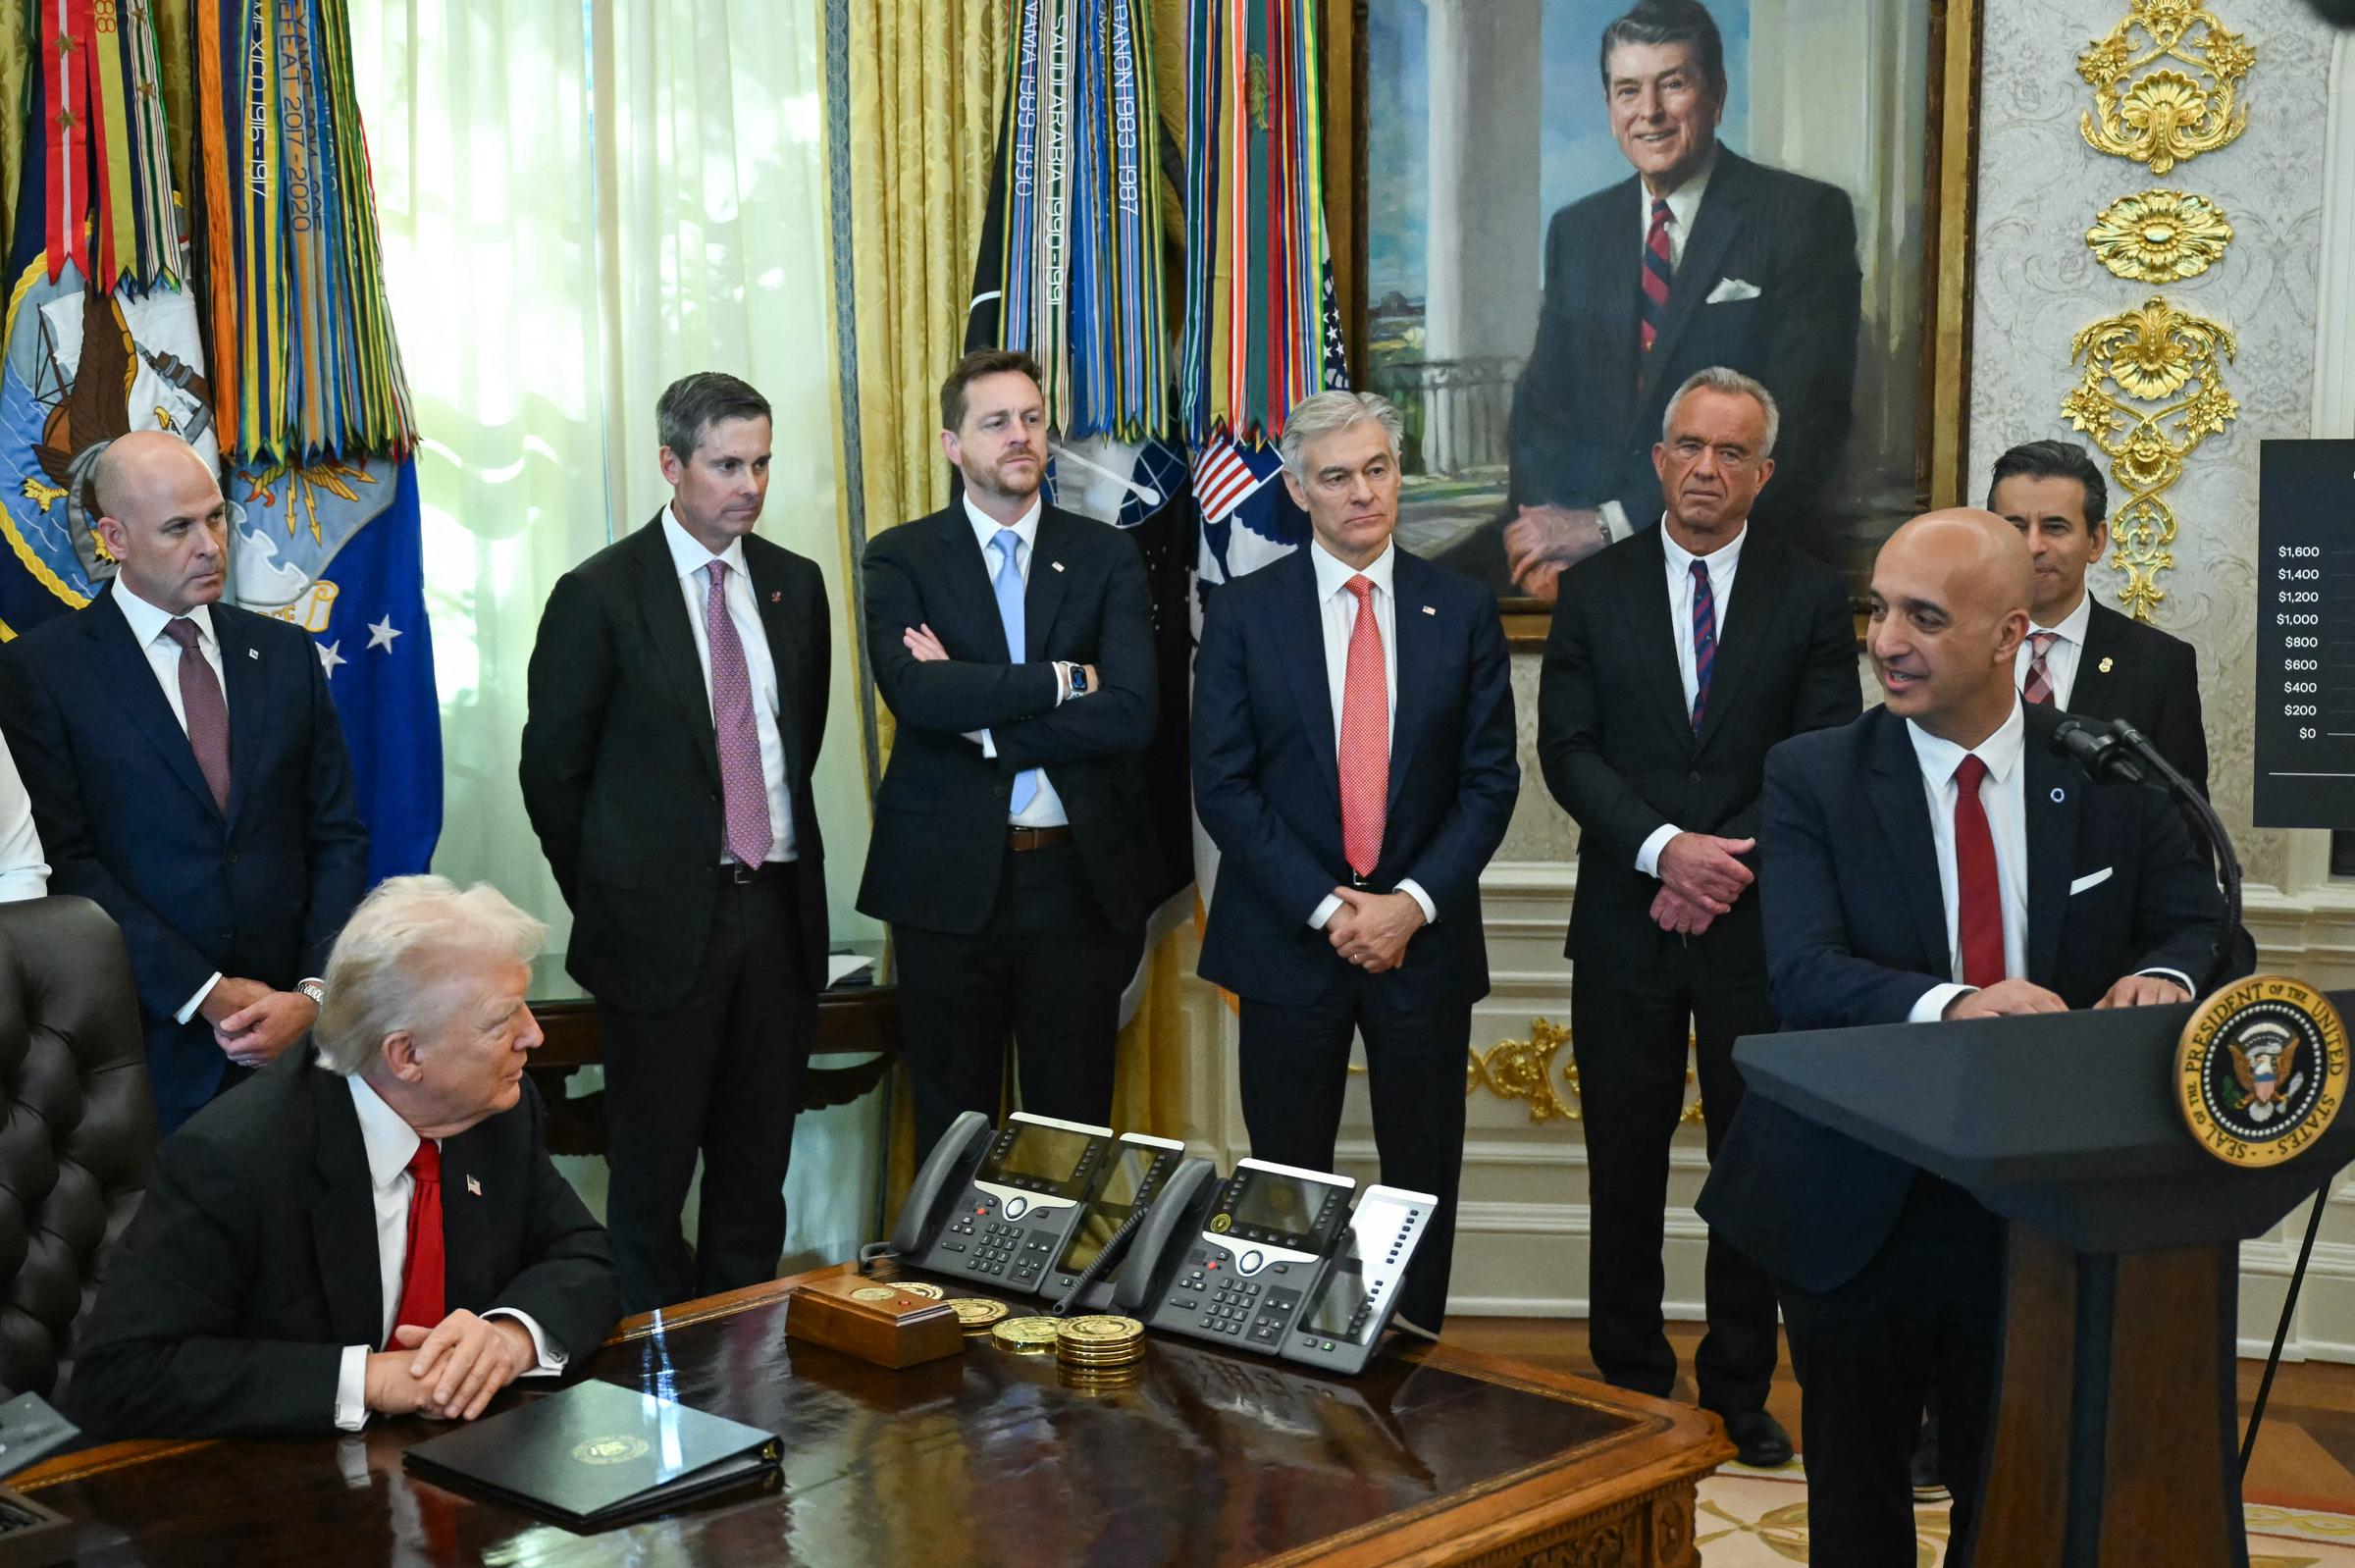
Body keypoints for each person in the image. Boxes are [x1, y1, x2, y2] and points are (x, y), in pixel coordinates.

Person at [1697, 509, 2233, 1565]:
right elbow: (1801, 971)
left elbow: (2205, 916)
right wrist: (1957, 1002)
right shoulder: (1815, 772)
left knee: (2018, 1488)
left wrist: (2167, 972)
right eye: (1881, 607)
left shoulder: (2111, 770)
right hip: (1856, 1194)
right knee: (1857, 1502)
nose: (1887, 638)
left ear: (2010, 636)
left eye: (1925, 616)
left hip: (2037, 1204)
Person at [1535, 367, 1858, 1468]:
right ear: (1659, 457)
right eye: (1688, 446)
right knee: (1620, 1163)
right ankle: (1627, 1378)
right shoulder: (1594, 590)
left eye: (1731, 452)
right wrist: (1663, 848)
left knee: (1750, 1164)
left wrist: (1717, 862)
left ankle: (1738, 1386)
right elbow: (1567, 748)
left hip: (1758, 928)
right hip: (1626, 919)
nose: (1706, 468)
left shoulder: (1815, 595)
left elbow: (1822, 757)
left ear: (1764, 472)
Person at [67, 876, 621, 1439]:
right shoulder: (235, 1158)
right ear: (405, 1056)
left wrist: (507, 1337)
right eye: (503, 1022)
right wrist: (370, 1380)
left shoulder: (496, 1110)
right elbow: (121, 1377)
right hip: (287, 1487)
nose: (534, 1037)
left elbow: (584, 1256)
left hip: (457, 1459)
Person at [1191, 390, 1518, 1333]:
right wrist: (1330, 910)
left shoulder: (1457, 608)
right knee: (1287, 1176)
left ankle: (1413, 1361)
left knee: (1424, 1175)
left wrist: (1407, 905)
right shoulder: (1246, 613)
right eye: (1338, 476)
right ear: (1297, 490)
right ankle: (1282, 1360)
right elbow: (1225, 786)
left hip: (1424, 945)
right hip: (1290, 946)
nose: (1364, 493)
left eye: (1378, 469)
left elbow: (1489, 783)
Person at [520, 372, 829, 1315]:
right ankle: (657, 1385)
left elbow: (793, 744)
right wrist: (622, 893)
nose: (750, 484)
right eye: (727, 464)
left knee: (754, 1168)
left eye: (762, 463)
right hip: (655, 936)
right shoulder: (600, 595)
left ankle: (745, 1360)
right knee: (650, 1185)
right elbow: (553, 779)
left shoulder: (795, 585)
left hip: (774, 916)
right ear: (671, 464)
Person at [0, 430, 367, 1132]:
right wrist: (206, 993)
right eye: (178, 528)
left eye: (216, 517)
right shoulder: (44, 673)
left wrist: (316, 994)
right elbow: (66, 862)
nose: (209, 544)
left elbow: (336, 834)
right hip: (143, 1050)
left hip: (297, 1043)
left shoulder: (284, 654)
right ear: (115, 537)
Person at [1451, 0, 1859, 601]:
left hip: (1726, 536)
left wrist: (1606, 527)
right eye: (1627, 90)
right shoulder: (1579, 229)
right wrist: (1542, 529)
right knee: (1423, 600)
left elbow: (1801, 422)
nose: (1650, 113)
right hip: (1571, 528)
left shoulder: (1801, 218)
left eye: (1673, 85)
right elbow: (1542, 407)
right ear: (1610, 107)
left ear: (1716, 95)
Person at [858, 350, 1159, 1154]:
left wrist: (982, 714)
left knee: (1071, 1131)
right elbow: (917, 697)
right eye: (996, 423)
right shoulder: (902, 557)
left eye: (1032, 419)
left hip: (1075, 882)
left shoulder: (1104, 556)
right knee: (953, 1132)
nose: (1020, 437)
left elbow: (1131, 713)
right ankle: (954, 1285)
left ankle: (1059, 1286)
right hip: (947, 885)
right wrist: (1064, 680)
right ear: (954, 444)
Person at [1989, 438, 2207, 792]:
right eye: (2015, 526)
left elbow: (2183, 824)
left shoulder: (2159, 665)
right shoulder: (1956, 648)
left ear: (2096, 541)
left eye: (2055, 527)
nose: (2033, 546)